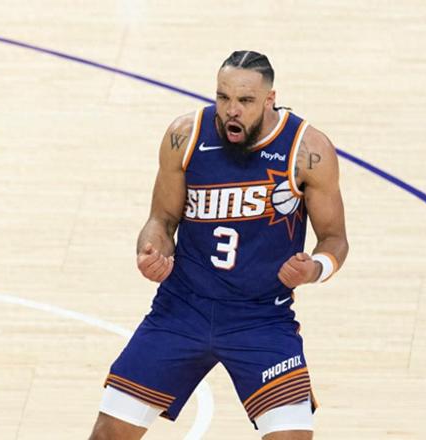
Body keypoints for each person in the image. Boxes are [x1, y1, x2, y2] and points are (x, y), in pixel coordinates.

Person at [89, 50, 348, 440]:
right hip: (182, 310)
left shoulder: (307, 149)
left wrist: (315, 268)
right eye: (223, 97)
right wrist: (151, 251)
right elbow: (161, 220)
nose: (231, 110)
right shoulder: (185, 136)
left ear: (270, 99)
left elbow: (335, 239)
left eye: (245, 100)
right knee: (108, 434)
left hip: (261, 318)